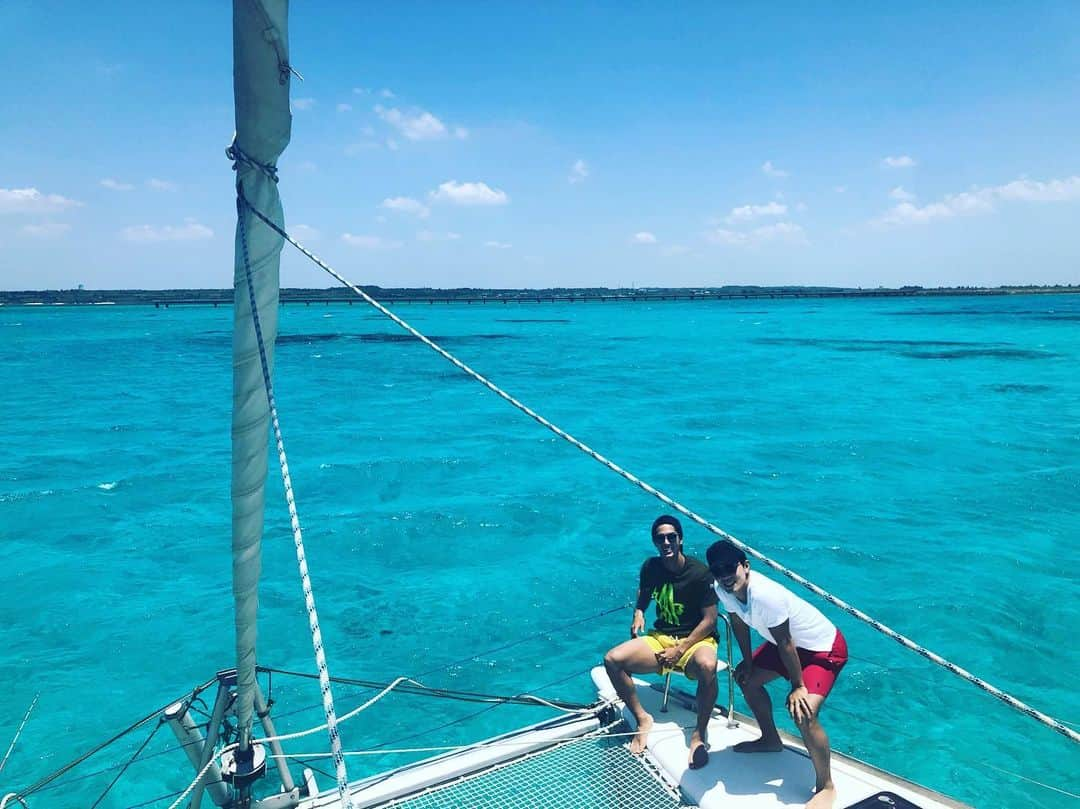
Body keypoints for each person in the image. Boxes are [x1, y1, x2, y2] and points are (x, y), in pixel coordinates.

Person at [706, 539, 848, 809]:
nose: (724, 575)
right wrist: (747, 662)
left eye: (729, 567)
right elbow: (737, 622)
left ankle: (825, 786)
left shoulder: (765, 595)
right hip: (786, 644)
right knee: (746, 680)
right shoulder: (723, 589)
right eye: (717, 570)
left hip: (822, 648)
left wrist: (798, 685)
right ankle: (770, 739)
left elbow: (786, 644)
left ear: (745, 566)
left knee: (803, 711)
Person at [603, 515, 719, 768]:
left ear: (680, 539)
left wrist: (681, 649)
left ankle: (700, 731)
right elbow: (644, 591)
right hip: (662, 637)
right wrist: (639, 611)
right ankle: (642, 718)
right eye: (660, 538)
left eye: (671, 537)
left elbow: (710, 621)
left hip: (696, 640)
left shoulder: (700, 574)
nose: (666, 542)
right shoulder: (651, 567)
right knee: (612, 660)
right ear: (655, 542)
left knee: (708, 667)